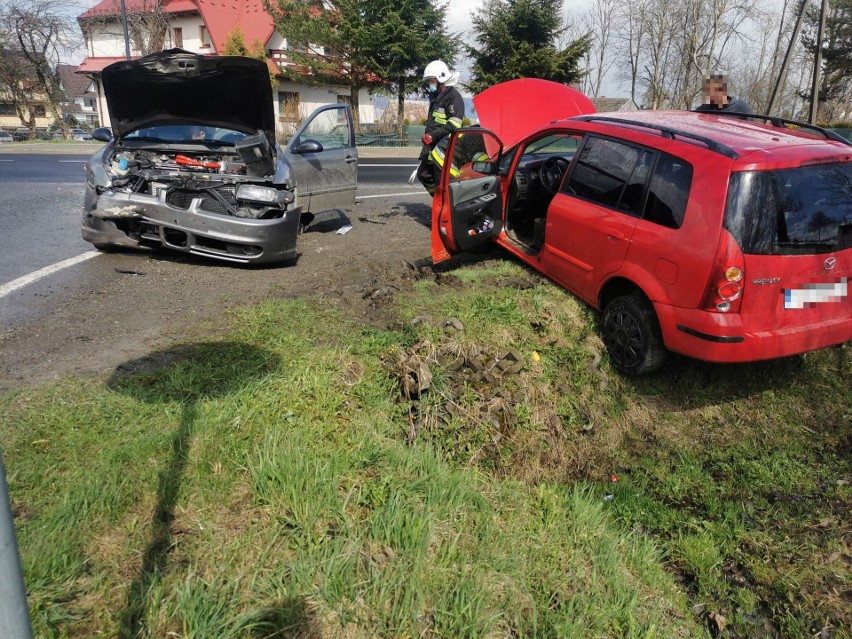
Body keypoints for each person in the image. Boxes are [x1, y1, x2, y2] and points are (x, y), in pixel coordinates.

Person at [411, 60, 465, 195]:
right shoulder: (436, 96)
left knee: (442, 178)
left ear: (441, 78)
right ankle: (438, 200)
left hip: (444, 145)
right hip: (432, 144)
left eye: (432, 80)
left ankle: (445, 207)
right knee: (423, 174)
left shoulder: (453, 97)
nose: (430, 83)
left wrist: (433, 136)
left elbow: (455, 124)